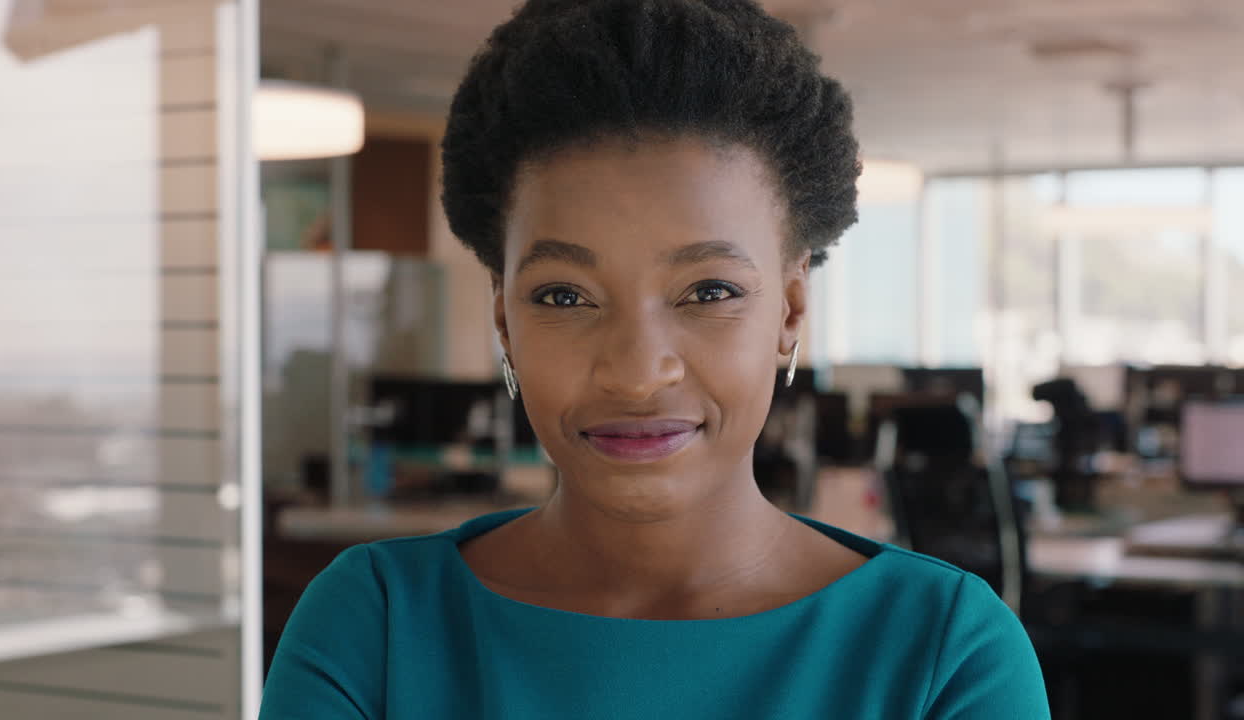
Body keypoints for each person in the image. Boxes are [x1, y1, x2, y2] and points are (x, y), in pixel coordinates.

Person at [258, 1, 1050, 717]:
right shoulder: (378, 626)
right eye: (564, 296)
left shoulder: (942, 654)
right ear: (504, 316)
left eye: (707, 291)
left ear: (791, 310)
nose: (636, 373)